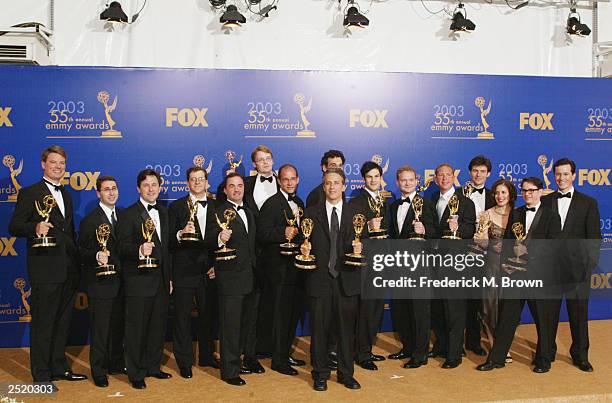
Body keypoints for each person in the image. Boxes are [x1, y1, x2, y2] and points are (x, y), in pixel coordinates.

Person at [9, 145, 87, 389]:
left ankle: (59, 367)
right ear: (43, 164)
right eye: (53, 162)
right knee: (43, 323)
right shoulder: (29, 192)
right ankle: (41, 375)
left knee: (62, 322)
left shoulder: (66, 194)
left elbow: (68, 232)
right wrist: (35, 228)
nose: (58, 167)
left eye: (62, 163)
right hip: (45, 270)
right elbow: (14, 226)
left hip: (68, 270)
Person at [477, 177, 561, 373]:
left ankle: (543, 360)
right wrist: (507, 263)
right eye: (524, 190)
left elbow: (554, 247)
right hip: (515, 275)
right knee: (507, 318)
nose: (528, 194)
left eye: (532, 190)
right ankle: (496, 358)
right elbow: (507, 243)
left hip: (539, 276)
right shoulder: (516, 213)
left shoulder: (551, 216)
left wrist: (529, 252)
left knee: (543, 320)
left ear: (540, 192)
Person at [301, 168, 361, 391]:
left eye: (337, 183)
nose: (332, 187)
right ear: (323, 186)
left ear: (344, 186)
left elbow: (365, 242)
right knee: (319, 330)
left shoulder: (357, 213)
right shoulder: (310, 214)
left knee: (346, 331)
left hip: (347, 280)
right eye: (328, 183)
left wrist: (361, 246)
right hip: (319, 280)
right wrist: (304, 248)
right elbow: (303, 242)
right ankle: (320, 374)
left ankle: (347, 374)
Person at [542, 158, 600, 372]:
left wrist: (588, 267)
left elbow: (594, 238)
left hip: (578, 271)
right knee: (549, 314)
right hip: (550, 271)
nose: (561, 178)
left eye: (566, 174)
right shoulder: (545, 201)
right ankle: (546, 353)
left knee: (578, 314)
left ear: (574, 175)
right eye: (558, 174)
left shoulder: (588, 203)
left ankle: (581, 355)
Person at [117, 169, 172, 389]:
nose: (151, 189)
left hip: (160, 281)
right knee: (136, 329)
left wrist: (168, 278)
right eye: (146, 185)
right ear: (138, 188)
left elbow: (166, 249)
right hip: (138, 281)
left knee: (157, 328)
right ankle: (136, 372)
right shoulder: (128, 214)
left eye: (155, 185)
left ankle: (152, 366)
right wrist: (139, 249)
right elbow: (120, 247)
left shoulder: (164, 212)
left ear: (160, 188)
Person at [212, 172, 262, 386]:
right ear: (225, 190)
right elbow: (208, 240)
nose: (236, 189)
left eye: (240, 185)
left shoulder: (249, 212)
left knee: (245, 324)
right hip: (230, 277)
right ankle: (229, 371)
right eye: (231, 186)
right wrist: (218, 238)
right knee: (230, 326)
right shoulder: (218, 212)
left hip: (250, 277)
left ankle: (240, 361)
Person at [169, 166, 219, 379]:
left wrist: (216, 263)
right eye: (193, 179)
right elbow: (169, 240)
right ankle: (184, 361)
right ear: (187, 183)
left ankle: (207, 355)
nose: (197, 182)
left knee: (208, 315)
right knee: (182, 318)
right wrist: (181, 233)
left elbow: (221, 240)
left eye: (201, 179)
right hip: (183, 270)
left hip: (208, 270)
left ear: (207, 182)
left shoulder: (218, 206)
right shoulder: (177, 207)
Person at [256, 164, 306, 376]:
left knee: (292, 314)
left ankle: (285, 353)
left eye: (292, 178)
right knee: (279, 316)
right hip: (277, 271)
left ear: (297, 179)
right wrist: (281, 232)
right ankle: (278, 360)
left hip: (296, 269)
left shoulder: (300, 202)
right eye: (285, 179)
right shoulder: (271, 204)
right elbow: (262, 234)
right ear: (279, 181)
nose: (289, 182)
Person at [78, 175, 125, 387]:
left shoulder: (123, 216)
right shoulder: (90, 221)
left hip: (122, 282)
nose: (111, 192)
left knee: (118, 326)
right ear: (98, 193)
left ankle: (116, 363)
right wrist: (96, 255)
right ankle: (98, 370)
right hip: (100, 283)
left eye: (114, 188)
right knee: (100, 329)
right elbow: (80, 251)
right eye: (106, 189)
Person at [387, 166, 435, 368]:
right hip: (398, 266)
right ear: (397, 182)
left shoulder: (426, 204)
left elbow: (435, 232)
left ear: (417, 181)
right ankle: (407, 346)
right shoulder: (393, 205)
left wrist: (425, 230)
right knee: (401, 309)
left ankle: (420, 353)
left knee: (419, 311)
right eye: (403, 180)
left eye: (410, 180)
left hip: (419, 266)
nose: (407, 183)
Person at [429, 163, 476, 369]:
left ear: (454, 177)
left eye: (448, 175)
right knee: (438, 307)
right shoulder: (431, 201)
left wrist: (459, 228)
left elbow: (471, 229)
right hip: (435, 263)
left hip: (456, 264)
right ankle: (441, 345)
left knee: (455, 309)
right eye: (440, 175)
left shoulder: (466, 202)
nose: (444, 178)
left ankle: (454, 353)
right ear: (436, 179)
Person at [349, 161, 388, 370]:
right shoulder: (356, 202)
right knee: (365, 310)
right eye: (369, 177)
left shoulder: (383, 201)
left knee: (375, 310)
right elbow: (350, 232)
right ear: (364, 179)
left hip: (382, 262)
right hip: (365, 264)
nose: (373, 180)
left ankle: (367, 349)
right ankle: (361, 354)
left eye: (376, 176)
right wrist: (367, 227)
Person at [473, 178, 516, 361]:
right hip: (491, 266)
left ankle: (504, 345)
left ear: (510, 194)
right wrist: (481, 240)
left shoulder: (518, 214)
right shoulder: (485, 215)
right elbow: (481, 245)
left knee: (508, 309)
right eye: (497, 193)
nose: (500, 196)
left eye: (503, 192)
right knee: (489, 308)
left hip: (512, 268)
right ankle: (495, 347)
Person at [465, 155, 496, 356]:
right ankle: (458, 340)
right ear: (470, 172)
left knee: (480, 300)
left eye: (482, 171)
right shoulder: (459, 194)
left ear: (488, 174)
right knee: (464, 298)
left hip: (489, 254)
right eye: (475, 170)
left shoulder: (496, 195)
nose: (478, 174)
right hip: (464, 252)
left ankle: (475, 341)